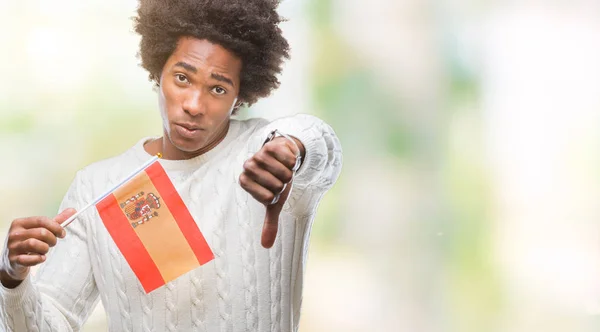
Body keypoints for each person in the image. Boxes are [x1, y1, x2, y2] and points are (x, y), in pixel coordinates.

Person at [0, 0, 342, 331]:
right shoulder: (99, 185)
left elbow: (319, 141)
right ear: (158, 70)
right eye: (182, 78)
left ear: (241, 95)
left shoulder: (263, 154)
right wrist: (12, 278)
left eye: (218, 88)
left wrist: (292, 150)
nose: (194, 104)